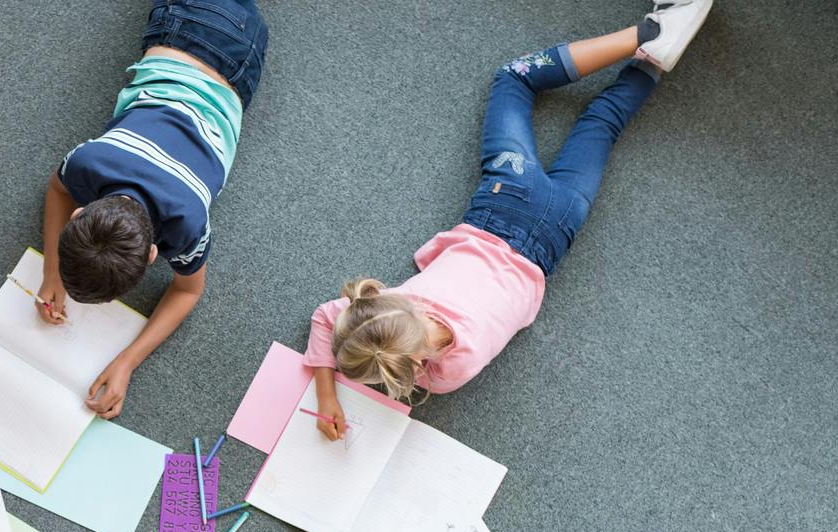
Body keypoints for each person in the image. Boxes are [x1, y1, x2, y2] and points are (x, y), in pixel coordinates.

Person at [303, 1, 711, 434]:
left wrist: (338, 391)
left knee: (604, 122)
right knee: (513, 78)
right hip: (503, 203)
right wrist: (326, 387)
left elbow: (376, 351)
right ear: (382, 298)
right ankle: (645, 34)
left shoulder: (445, 373)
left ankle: (652, 64)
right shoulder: (397, 306)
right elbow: (327, 316)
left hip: (557, 230)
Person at [38, 0, 269, 420]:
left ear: (151, 254)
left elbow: (188, 290)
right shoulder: (92, 161)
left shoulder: (188, 222)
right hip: (179, 33)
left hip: (238, 56)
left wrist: (128, 360)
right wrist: (51, 271)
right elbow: (58, 189)